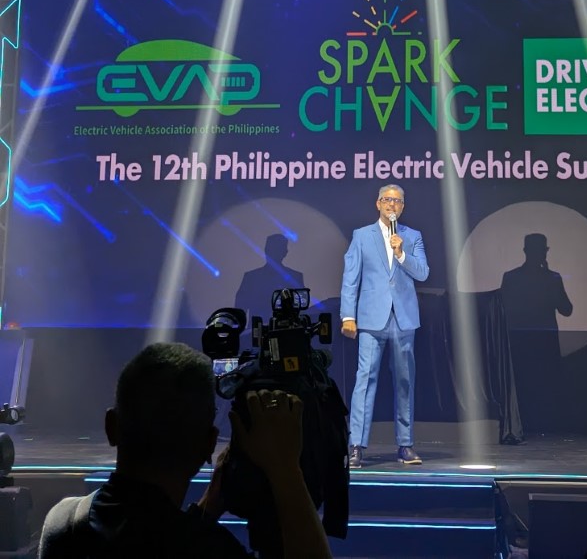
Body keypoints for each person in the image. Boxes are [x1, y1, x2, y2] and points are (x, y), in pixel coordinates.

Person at [37, 341, 332, 559]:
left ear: (110, 426)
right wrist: (285, 470)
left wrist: (207, 508)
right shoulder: (212, 550)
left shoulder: (63, 523)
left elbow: (148, 535)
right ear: (209, 444)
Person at [340, 182, 430, 468]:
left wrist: (401, 253)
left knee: (405, 381)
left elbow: (423, 273)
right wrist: (348, 316)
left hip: (403, 319)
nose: (393, 204)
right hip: (371, 318)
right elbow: (351, 277)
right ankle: (356, 445)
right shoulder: (362, 236)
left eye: (398, 201)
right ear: (378, 203)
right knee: (365, 379)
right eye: (388, 200)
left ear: (403, 207)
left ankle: (405, 444)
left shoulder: (412, 236)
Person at [500, 232, 573, 431]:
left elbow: (567, 310)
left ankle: (528, 424)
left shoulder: (515, 277)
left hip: (530, 340)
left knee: (532, 384)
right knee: (536, 384)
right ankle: (540, 425)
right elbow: (567, 309)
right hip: (532, 340)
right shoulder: (549, 278)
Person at [235, 233, 305, 322]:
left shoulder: (251, 277)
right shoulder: (250, 278)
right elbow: (239, 311)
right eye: (274, 249)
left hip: (284, 328)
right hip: (260, 328)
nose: (275, 252)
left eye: (278, 249)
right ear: (285, 252)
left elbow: (302, 309)